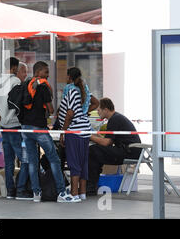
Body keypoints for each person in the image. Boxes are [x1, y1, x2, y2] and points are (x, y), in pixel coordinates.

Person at [21, 61, 76, 203]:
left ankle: (36, 193)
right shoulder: (43, 86)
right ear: (38, 71)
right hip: (39, 127)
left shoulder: (27, 84)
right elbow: (51, 109)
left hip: (25, 128)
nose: (48, 75)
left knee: (33, 162)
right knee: (54, 159)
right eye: (46, 72)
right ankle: (61, 193)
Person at [0, 58, 31, 200]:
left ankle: (10, 191)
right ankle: (20, 189)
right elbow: (20, 103)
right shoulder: (15, 82)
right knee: (25, 159)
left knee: (8, 161)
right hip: (16, 126)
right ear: (15, 68)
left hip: (3, 127)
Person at [58, 67, 99, 202]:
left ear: (69, 77)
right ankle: (82, 193)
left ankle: (74, 194)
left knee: (74, 162)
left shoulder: (71, 91)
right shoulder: (84, 89)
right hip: (84, 129)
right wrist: (84, 113)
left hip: (74, 130)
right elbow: (95, 103)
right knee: (83, 162)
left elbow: (70, 113)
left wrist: (63, 131)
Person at [87, 98, 142, 195]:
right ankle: (91, 186)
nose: (97, 112)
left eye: (99, 110)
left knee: (93, 151)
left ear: (106, 109)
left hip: (129, 152)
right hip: (130, 150)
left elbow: (106, 143)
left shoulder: (114, 119)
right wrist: (96, 136)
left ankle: (90, 186)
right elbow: (109, 140)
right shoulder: (116, 117)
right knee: (96, 153)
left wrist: (89, 136)